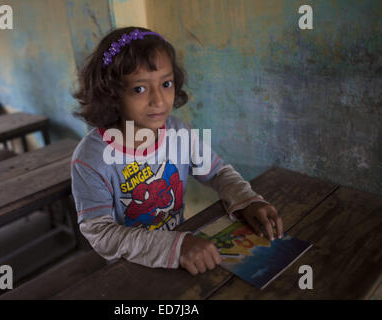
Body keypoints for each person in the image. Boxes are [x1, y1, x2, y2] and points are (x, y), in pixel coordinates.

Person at [71, 26, 283, 275]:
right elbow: (101, 233)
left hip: (182, 253)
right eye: (139, 89)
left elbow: (217, 172)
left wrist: (246, 201)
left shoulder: (178, 132)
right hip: (129, 269)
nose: (159, 100)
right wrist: (175, 245)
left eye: (166, 83)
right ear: (112, 93)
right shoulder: (90, 160)